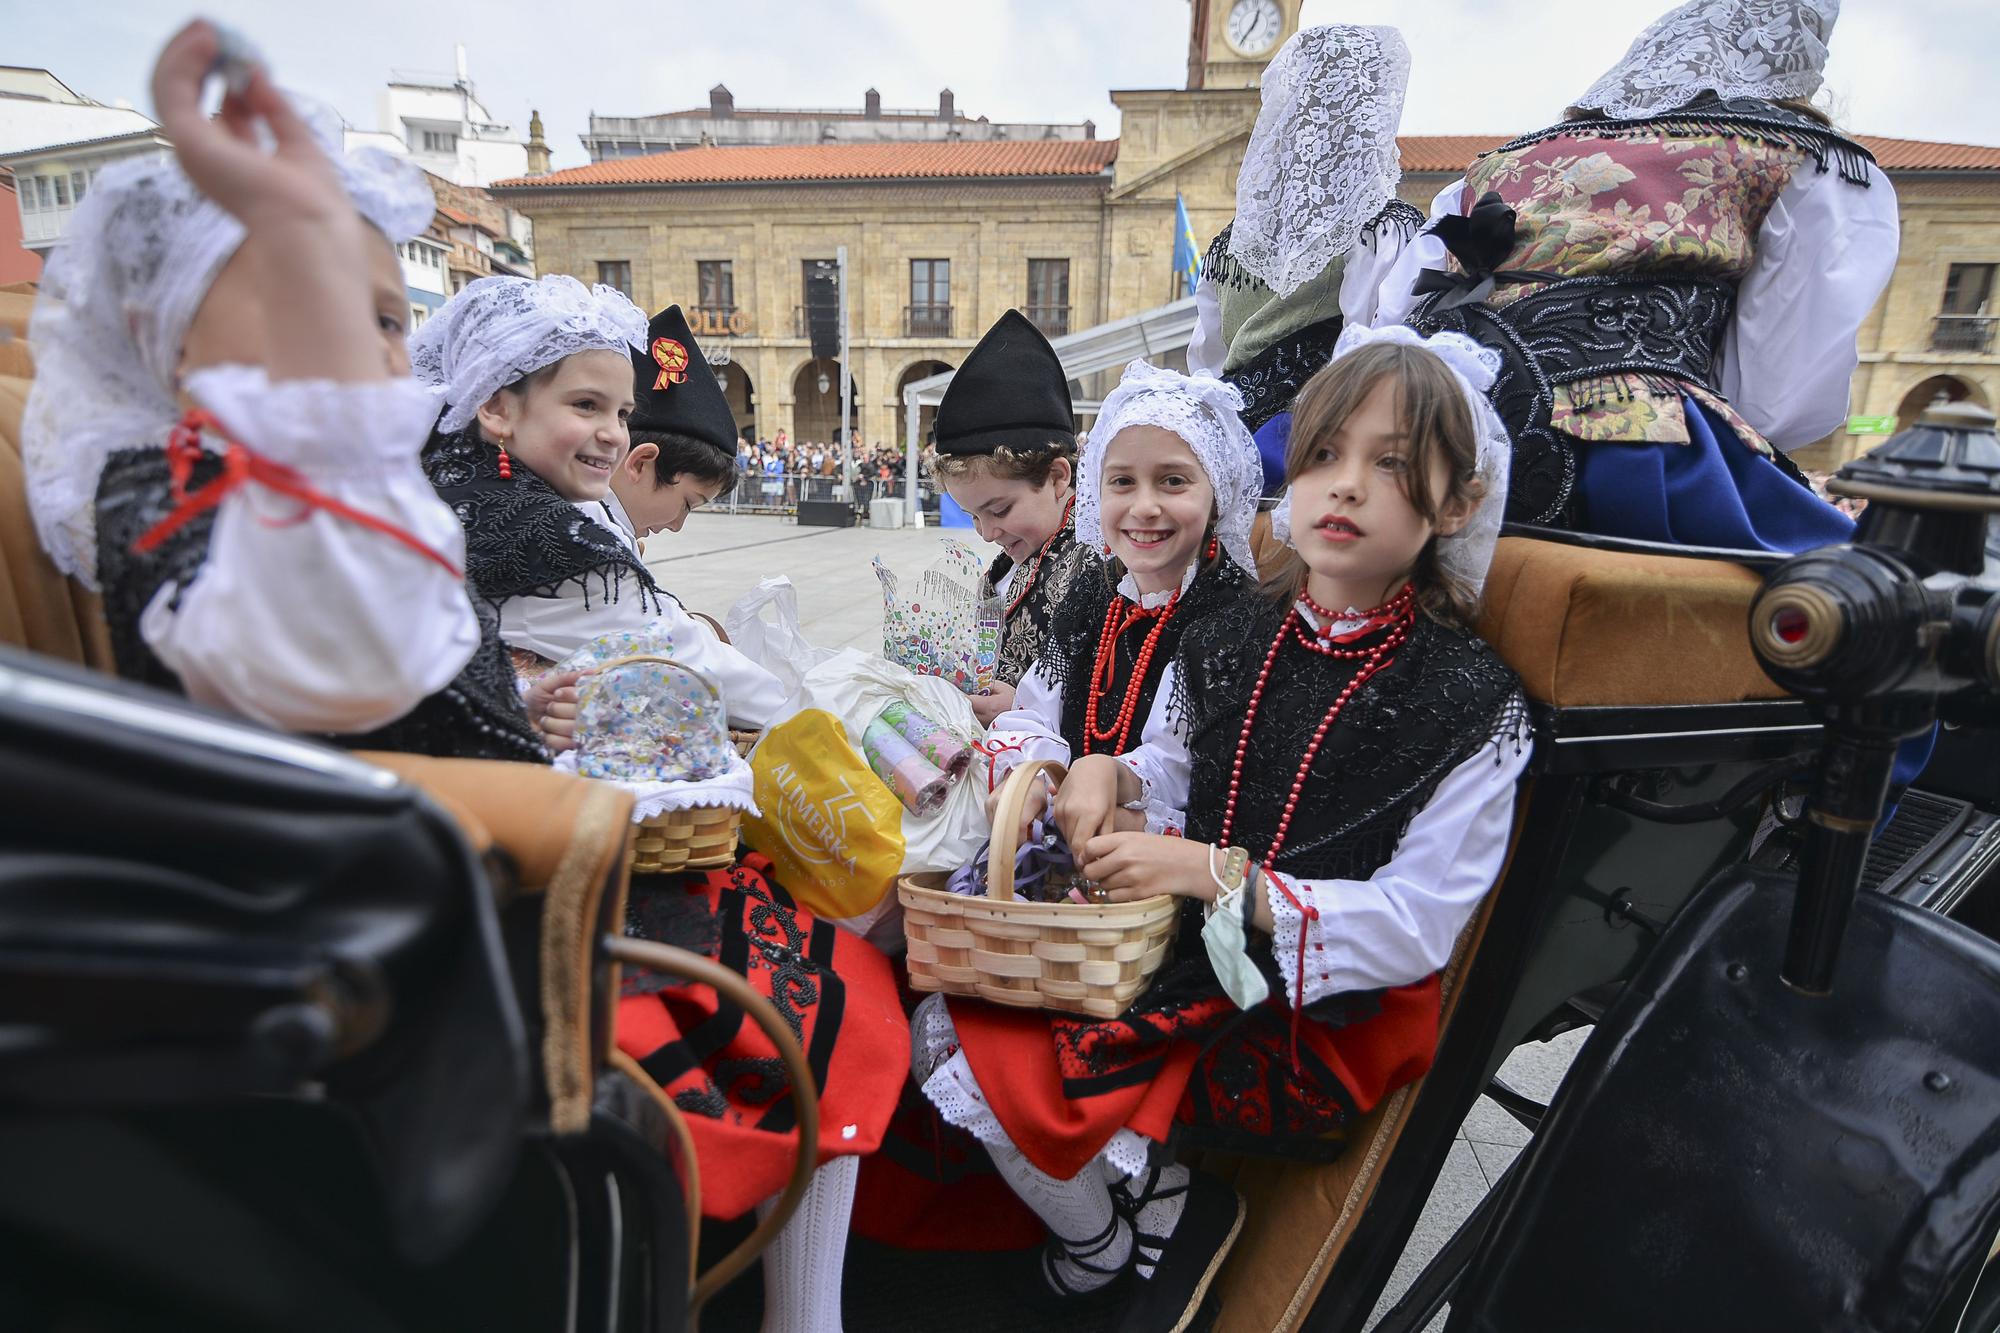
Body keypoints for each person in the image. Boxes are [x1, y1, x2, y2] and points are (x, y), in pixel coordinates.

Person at [912, 326, 1528, 1332]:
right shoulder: (1242, 636)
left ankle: (1143, 1215)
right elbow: (1183, 764)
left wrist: (1208, 869)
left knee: (980, 1040)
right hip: (1201, 943)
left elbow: (1416, 925)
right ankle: (1133, 1213)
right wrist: (1110, 768)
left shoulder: (1471, 702)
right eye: (1323, 455)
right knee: (946, 1007)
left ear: (1455, 503)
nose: (1341, 487)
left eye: (1388, 464)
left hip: (1318, 1011)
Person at [26, 20, 546, 763]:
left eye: (388, 320)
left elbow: (431, 647)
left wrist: (515, 705)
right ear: (165, 340)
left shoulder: (343, 474)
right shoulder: (170, 492)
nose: (356, 342)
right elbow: (355, 672)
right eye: (303, 298)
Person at [1378, 0, 1893, 553]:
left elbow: (1403, 306)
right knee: (1850, 594)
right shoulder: (1797, 156)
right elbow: (1777, 396)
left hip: (1431, 423)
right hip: (1631, 452)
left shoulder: (1500, 162)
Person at [420, 297, 783, 736]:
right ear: (497, 409)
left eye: (623, 414)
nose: (614, 435)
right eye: (586, 405)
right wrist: (809, 713)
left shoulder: (478, 487)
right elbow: (676, 652)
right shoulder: (544, 537)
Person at [979, 360, 1260, 841]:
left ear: (1217, 493)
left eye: (1173, 481)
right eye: (1122, 481)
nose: (1144, 507)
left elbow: (1184, 774)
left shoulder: (1236, 615)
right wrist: (1032, 774)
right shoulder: (1097, 591)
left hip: (1161, 875)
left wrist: (1117, 797)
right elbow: (1034, 708)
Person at [1185, 24, 1423, 497]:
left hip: (1225, 452)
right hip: (1310, 457)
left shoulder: (1227, 244)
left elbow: (1206, 363)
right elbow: (1374, 354)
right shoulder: (1383, 228)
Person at [924, 309, 1100, 725]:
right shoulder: (1018, 558)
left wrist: (1026, 708)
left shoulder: (1100, 565)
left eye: (999, 510)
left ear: (1058, 477)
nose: (987, 534)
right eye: (973, 517)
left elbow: (1113, 703)